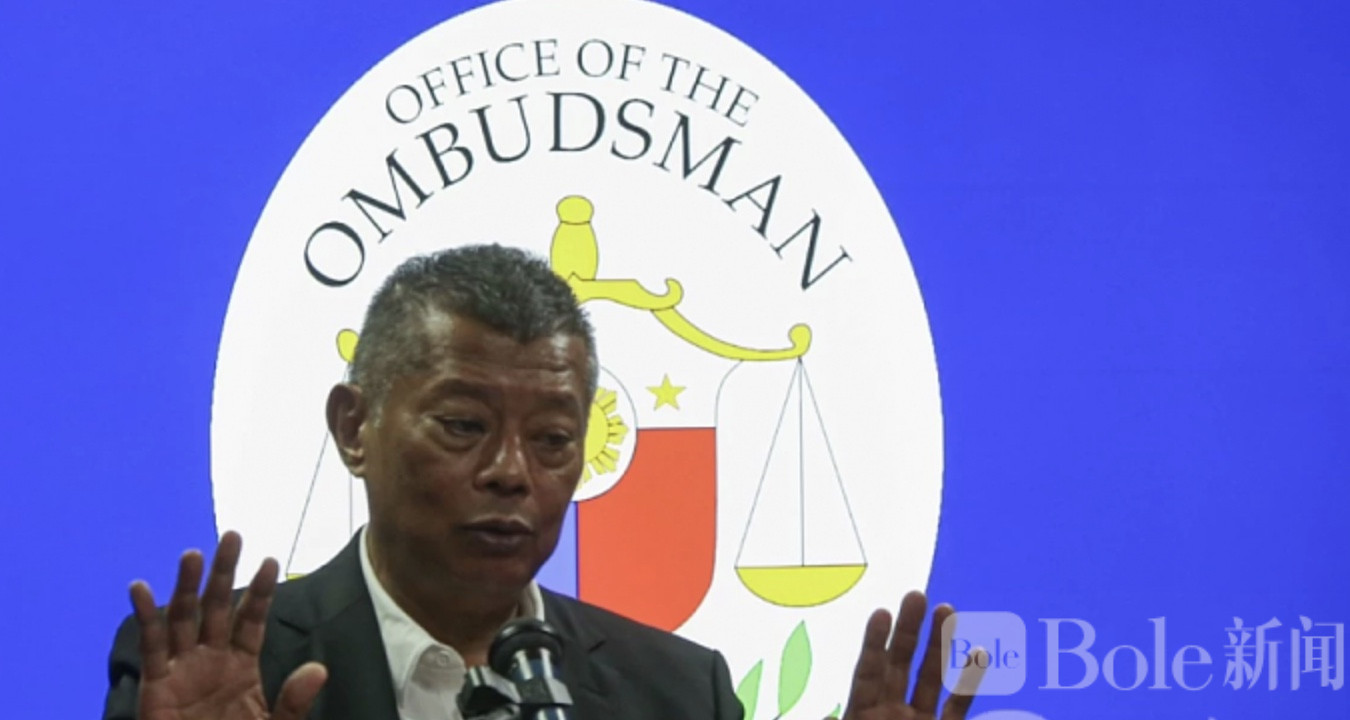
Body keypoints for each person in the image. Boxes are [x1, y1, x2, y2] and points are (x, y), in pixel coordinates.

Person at [103, 245, 985, 720]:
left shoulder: (680, 695)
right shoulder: (222, 677)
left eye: (554, 439)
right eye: (464, 426)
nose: (510, 473)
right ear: (354, 428)